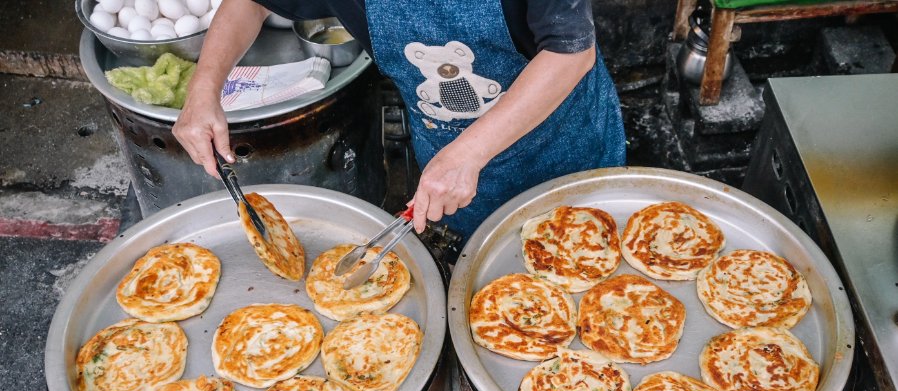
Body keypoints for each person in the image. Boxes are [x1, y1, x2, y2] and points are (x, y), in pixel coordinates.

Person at [173, 0, 626, 240]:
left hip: (560, 140)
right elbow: (250, 2)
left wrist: (469, 151)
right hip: (443, 142)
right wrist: (203, 89)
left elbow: (570, 53)